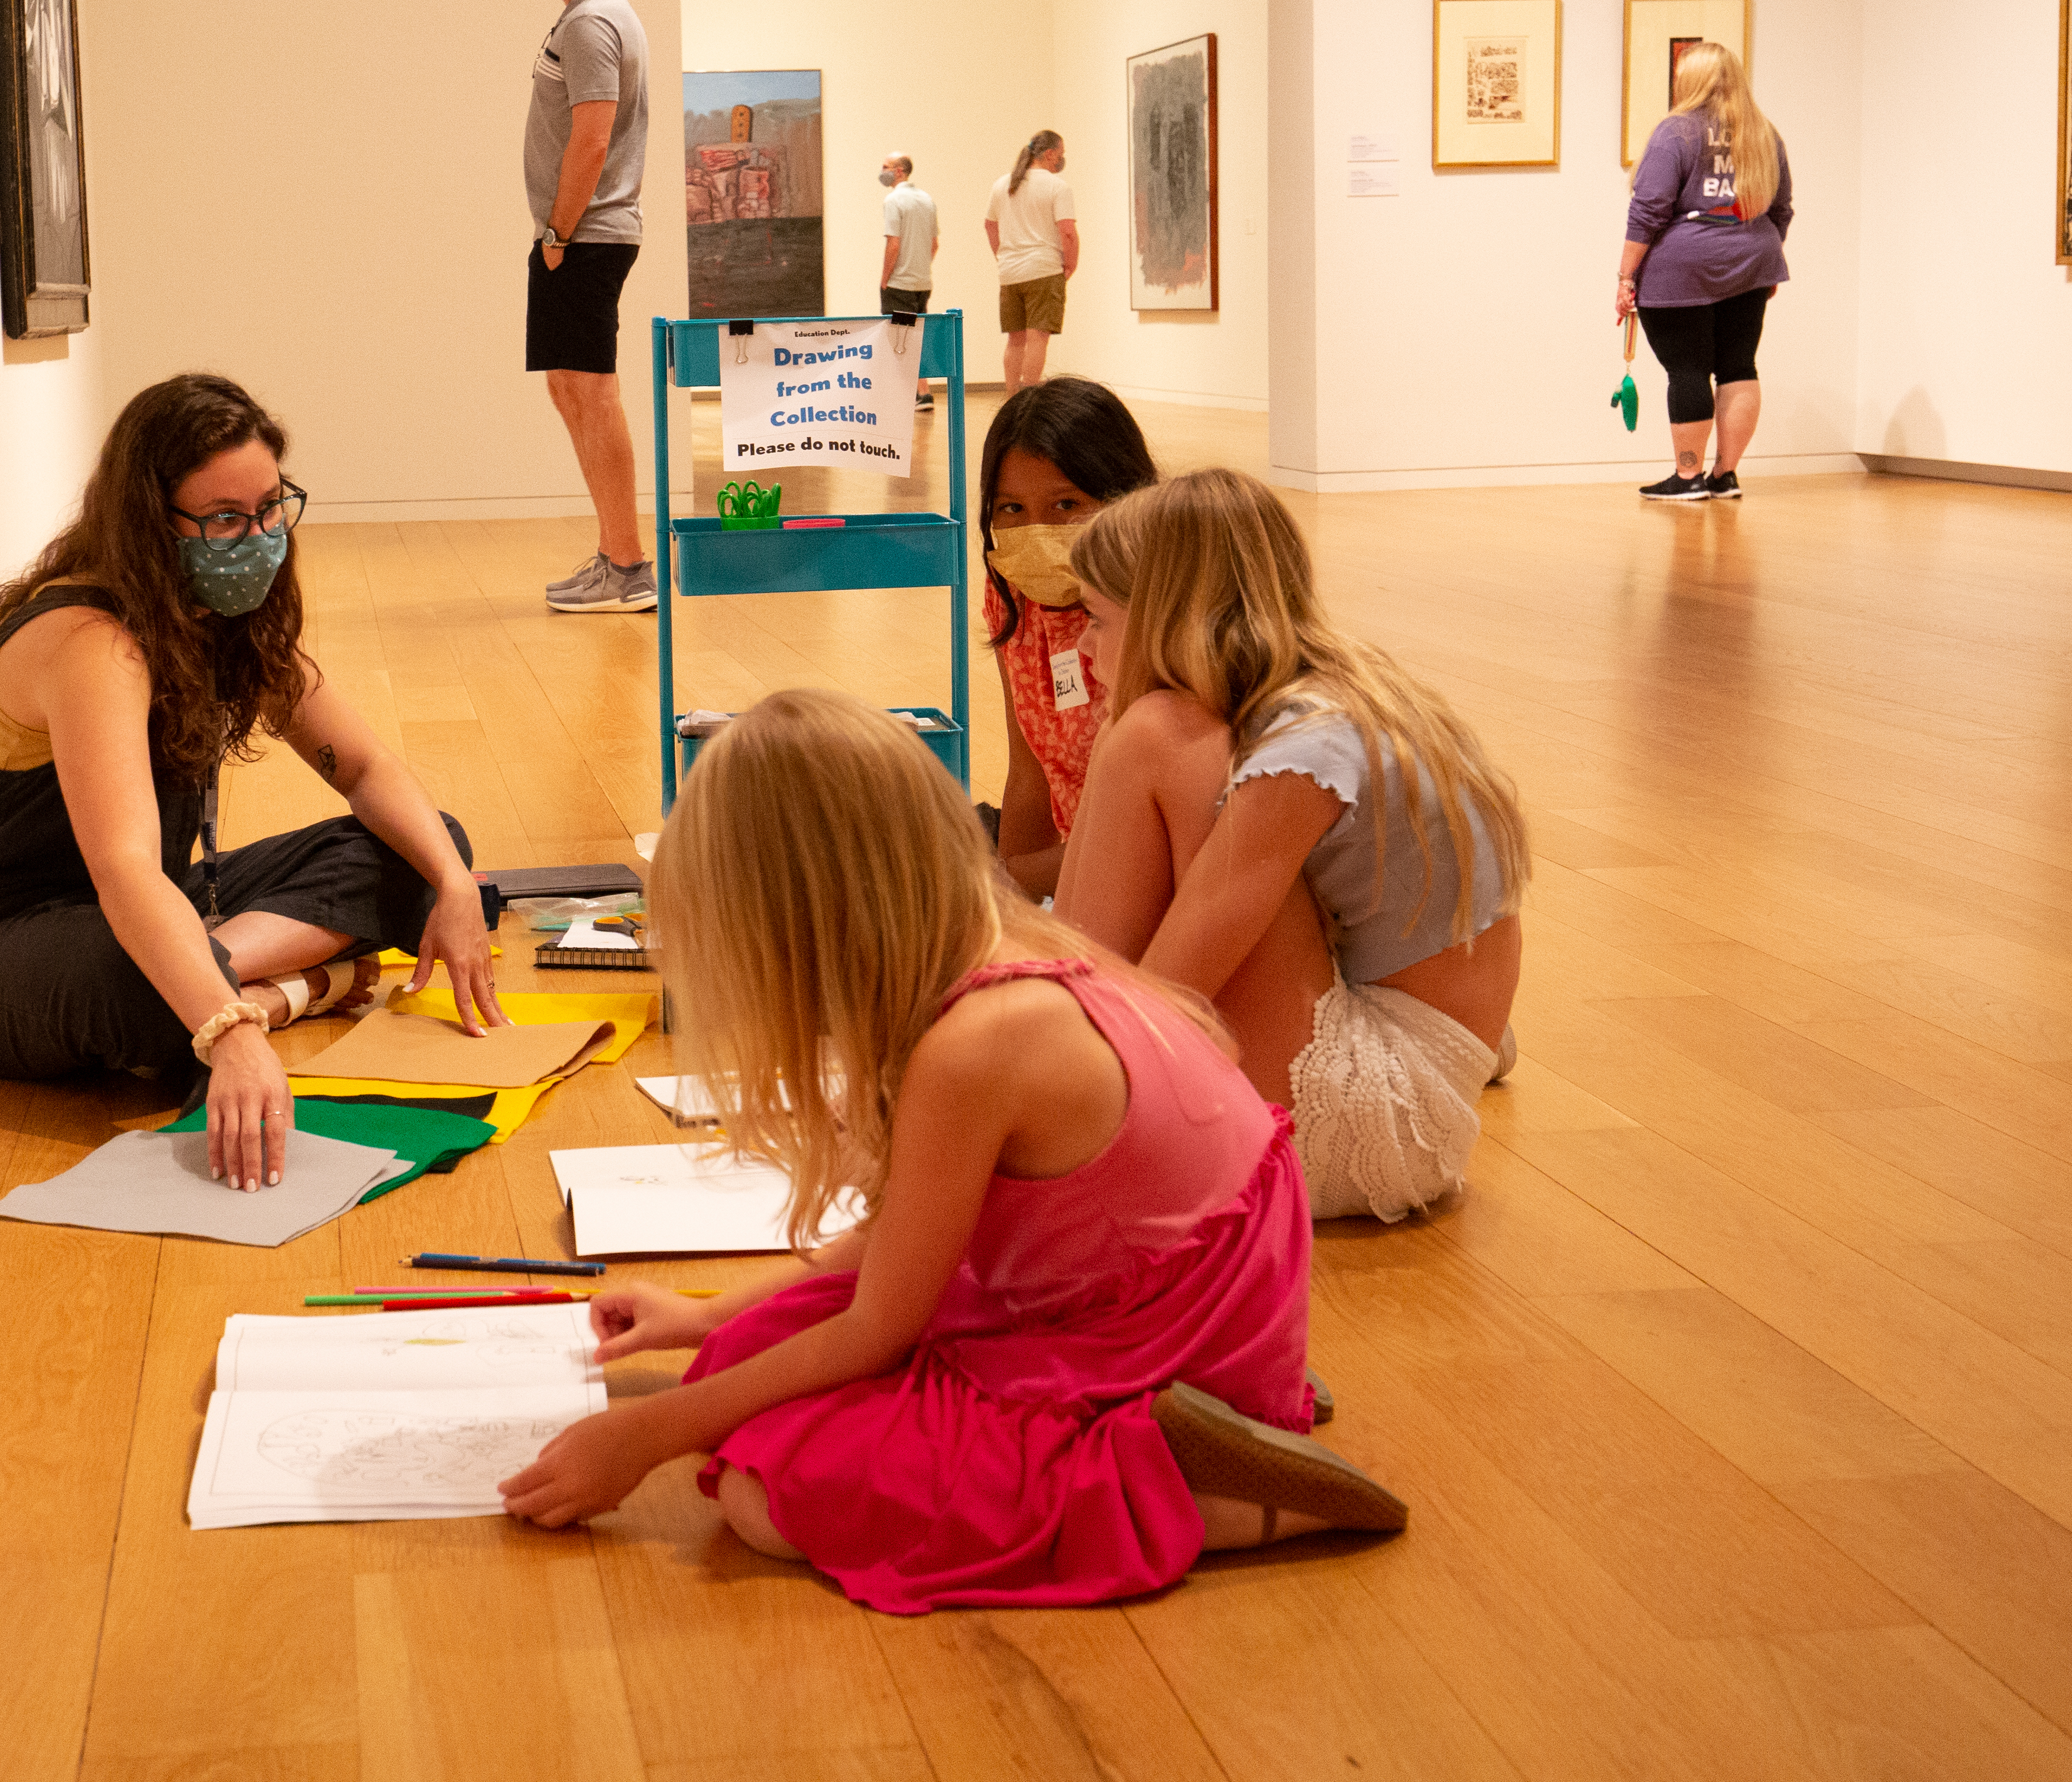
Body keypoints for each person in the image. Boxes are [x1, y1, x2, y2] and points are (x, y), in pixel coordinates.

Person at [496, 688, 1406, 1606]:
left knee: (771, 1490)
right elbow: (904, 1242)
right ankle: (1211, 1410)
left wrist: (647, 1439)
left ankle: (1200, 1482)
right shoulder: (1000, 950)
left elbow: (879, 1325)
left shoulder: (974, 1048)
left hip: (1157, 1326)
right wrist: (705, 1320)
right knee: (743, 1358)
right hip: (1177, 1288)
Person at [0, 374, 503, 1193]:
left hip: (145, 908)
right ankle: (278, 992)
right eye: (225, 521)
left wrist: (454, 885)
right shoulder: (92, 642)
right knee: (141, 970)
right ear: (149, 526)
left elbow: (370, 769)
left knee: (426, 843)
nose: (258, 537)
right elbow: (125, 871)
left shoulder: (220, 618)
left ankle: (217, 981)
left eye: (272, 508)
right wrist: (236, 1028)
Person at [1056, 470, 1526, 1223]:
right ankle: (1047, 1043)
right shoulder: (1328, 695)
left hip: (1383, 1112)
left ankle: (1047, 1073)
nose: (1083, 644)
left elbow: (1167, 996)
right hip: (1431, 1070)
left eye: (1098, 619)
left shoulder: (1299, 752)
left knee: (1150, 736)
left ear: (1159, 619)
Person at [516, 0, 658, 611]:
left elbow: (593, 135)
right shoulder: (593, 15)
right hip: (580, 234)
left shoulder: (593, 22)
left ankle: (629, 566)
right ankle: (615, 553)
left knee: (591, 391)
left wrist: (560, 232)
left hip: (586, 233)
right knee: (570, 386)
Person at [977, 378, 1158, 898]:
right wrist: (1014, 912)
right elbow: (1029, 774)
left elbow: (1141, 839)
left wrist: (1004, 885)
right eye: (1011, 509)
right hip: (1070, 869)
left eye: (1065, 505)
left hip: (1135, 877)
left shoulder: (1155, 613)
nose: (1037, 531)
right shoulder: (1012, 596)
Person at [1617, 44, 1791, 502]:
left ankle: (1687, 475)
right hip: (1752, 258)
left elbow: (1649, 211)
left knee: (1688, 369)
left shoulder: (1676, 132)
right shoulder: (1764, 133)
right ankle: (1724, 475)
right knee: (1738, 366)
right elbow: (1781, 208)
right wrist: (1762, 263)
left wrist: (1625, 277)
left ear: (1688, 81)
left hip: (1684, 267)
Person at [983, 128, 1077, 392]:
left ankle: (1013, 400)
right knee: (1038, 339)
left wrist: (1003, 257)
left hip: (1010, 274)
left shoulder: (1003, 184)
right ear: (1049, 154)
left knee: (1016, 340)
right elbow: (1067, 231)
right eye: (1061, 153)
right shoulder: (1057, 186)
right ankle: (1029, 399)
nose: (1062, 158)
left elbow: (990, 226)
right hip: (1044, 270)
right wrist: (1071, 263)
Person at [877, 152, 940, 409]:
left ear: (900, 171)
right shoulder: (927, 200)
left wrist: (885, 278)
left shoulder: (893, 200)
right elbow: (934, 245)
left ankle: (903, 395)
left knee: (900, 338)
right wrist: (920, 268)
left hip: (899, 285)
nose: (882, 171)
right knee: (916, 336)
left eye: (886, 167)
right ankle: (922, 393)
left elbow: (894, 244)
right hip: (922, 285)